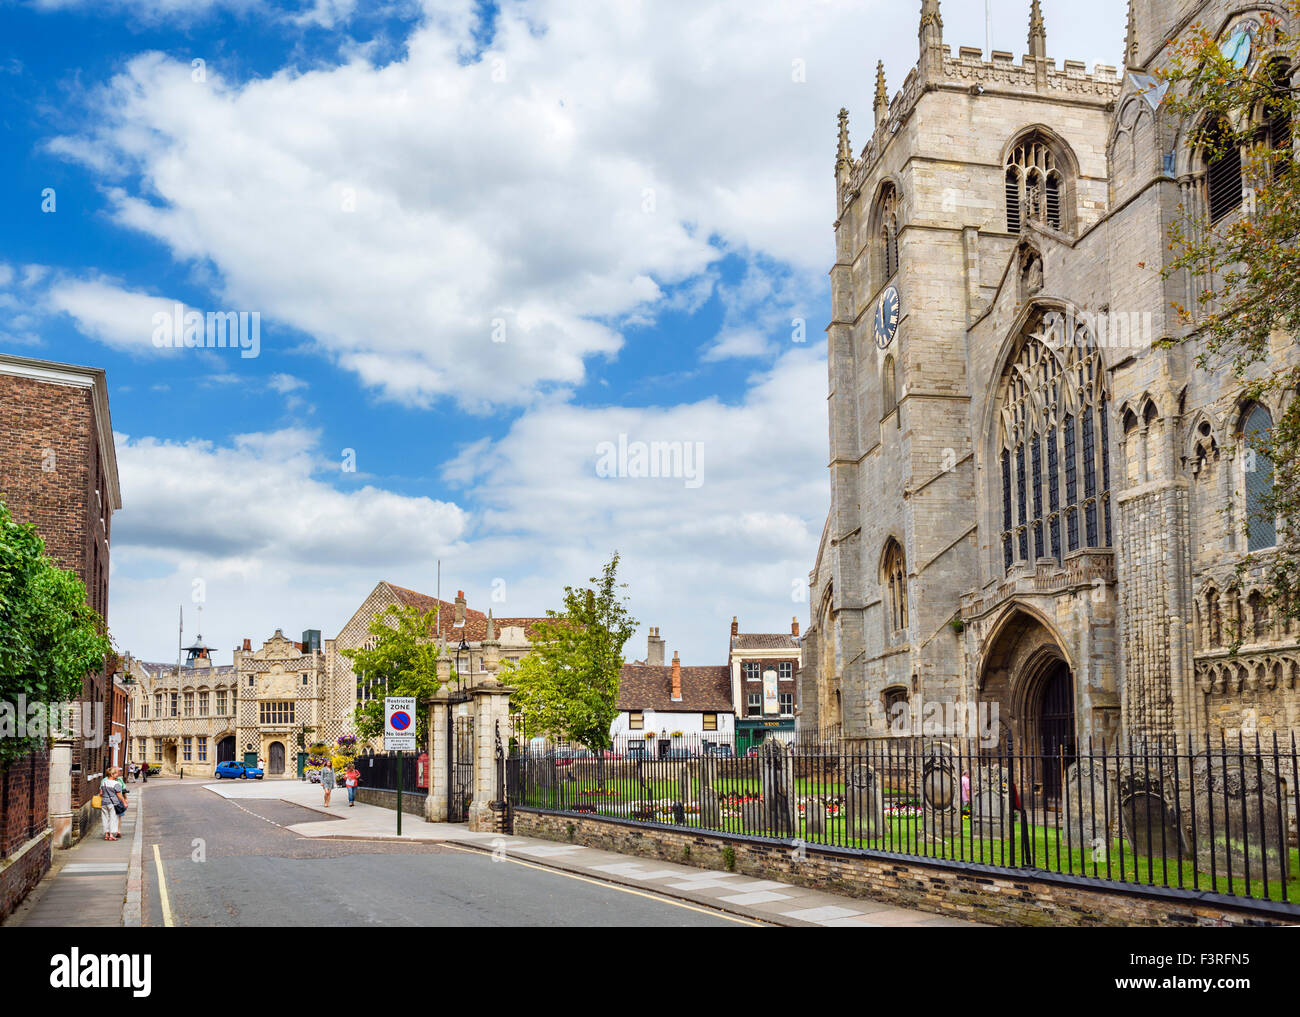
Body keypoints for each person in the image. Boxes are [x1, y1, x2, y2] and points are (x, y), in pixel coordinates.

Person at [101, 767, 128, 841]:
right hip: (112, 803)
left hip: (103, 802)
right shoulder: (116, 783)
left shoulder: (104, 782)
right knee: (113, 818)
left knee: (105, 818)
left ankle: (106, 834)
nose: (117, 774)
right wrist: (124, 802)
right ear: (112, 774)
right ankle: (111, 835)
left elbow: (101, 793)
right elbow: (119, 795)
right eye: (116, 773)